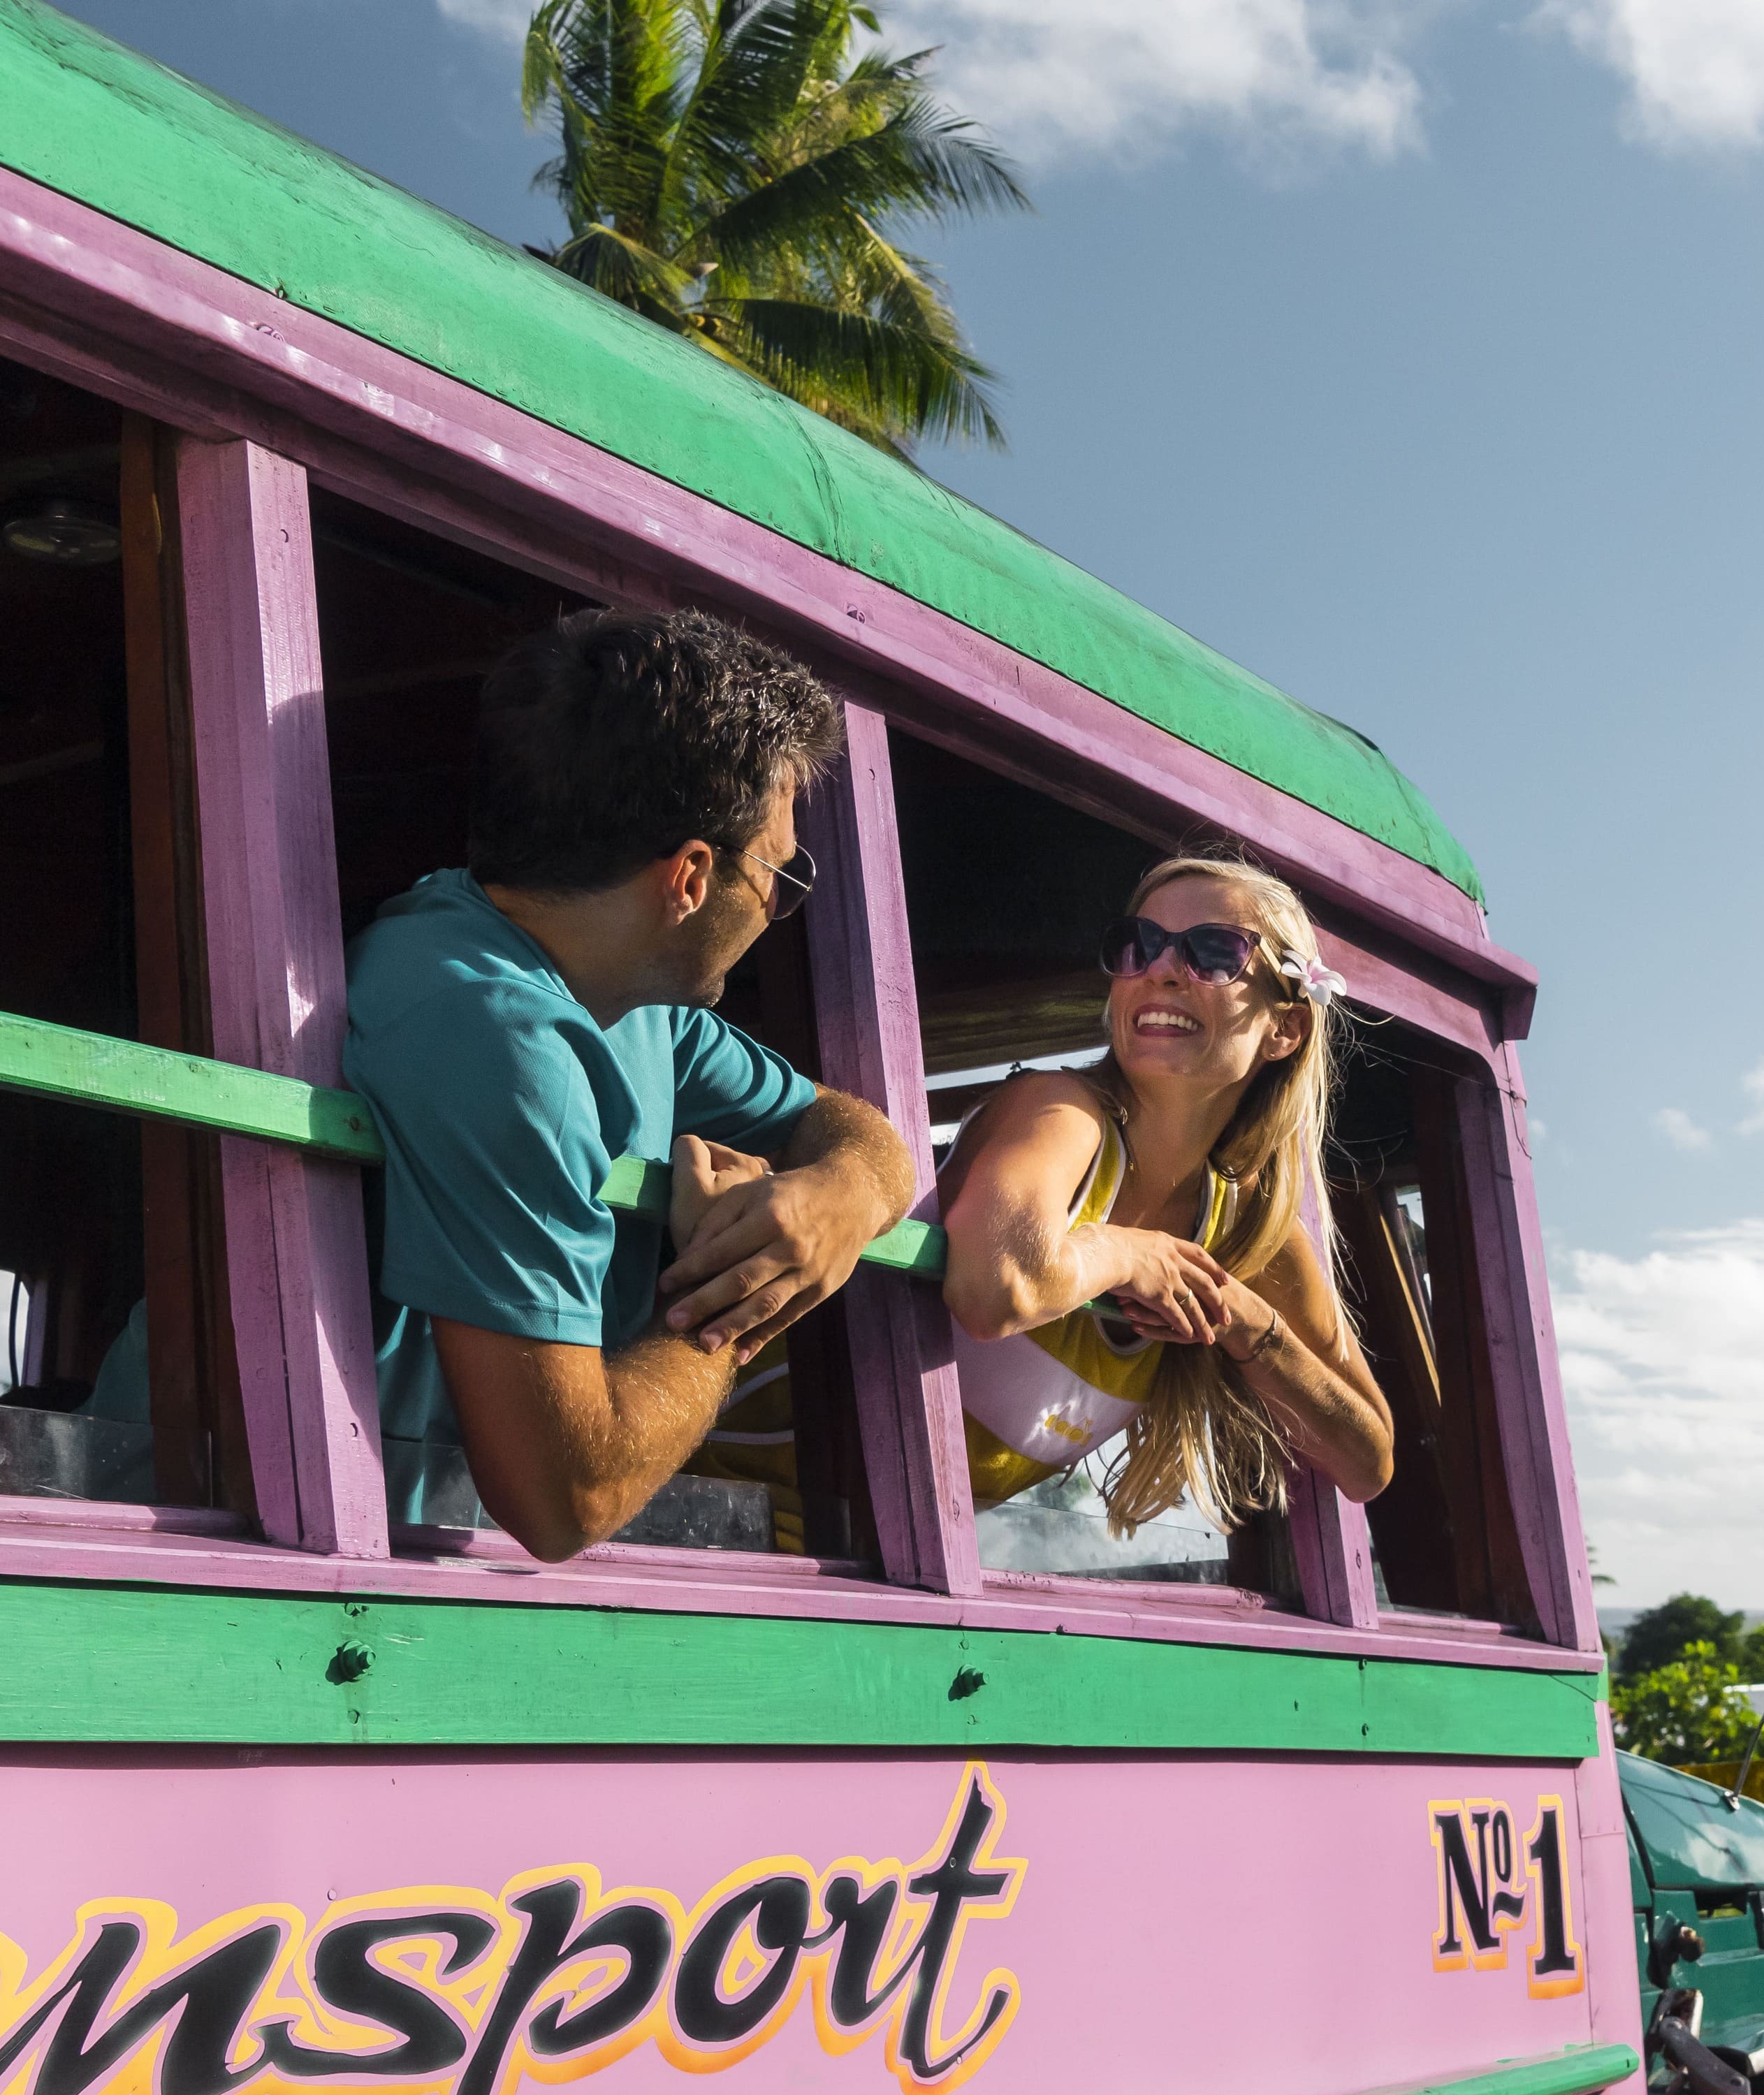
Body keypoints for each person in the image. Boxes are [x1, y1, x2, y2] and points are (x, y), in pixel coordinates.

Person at [346, 608, 914, 1562]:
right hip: (249, 1565)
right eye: (779, 867)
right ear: (691, 876)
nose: (778, 902)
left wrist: (836, 1199)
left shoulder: (637, 1007)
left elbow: (851, 1127)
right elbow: (569, 1494)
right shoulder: (501, 1041)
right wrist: (735, 1302)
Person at [935, 856, 1392, 1540]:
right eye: (1137, 945)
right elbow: (992, 1286)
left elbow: (1366, 1462)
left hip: (845, 1565)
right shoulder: (1060, 1110)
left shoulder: (1241, 1225)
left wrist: (1246, 1324)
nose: (1161, 969)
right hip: (731, 1511)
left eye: (1213, 952)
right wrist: (1125, 1252)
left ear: (1285, 1029)